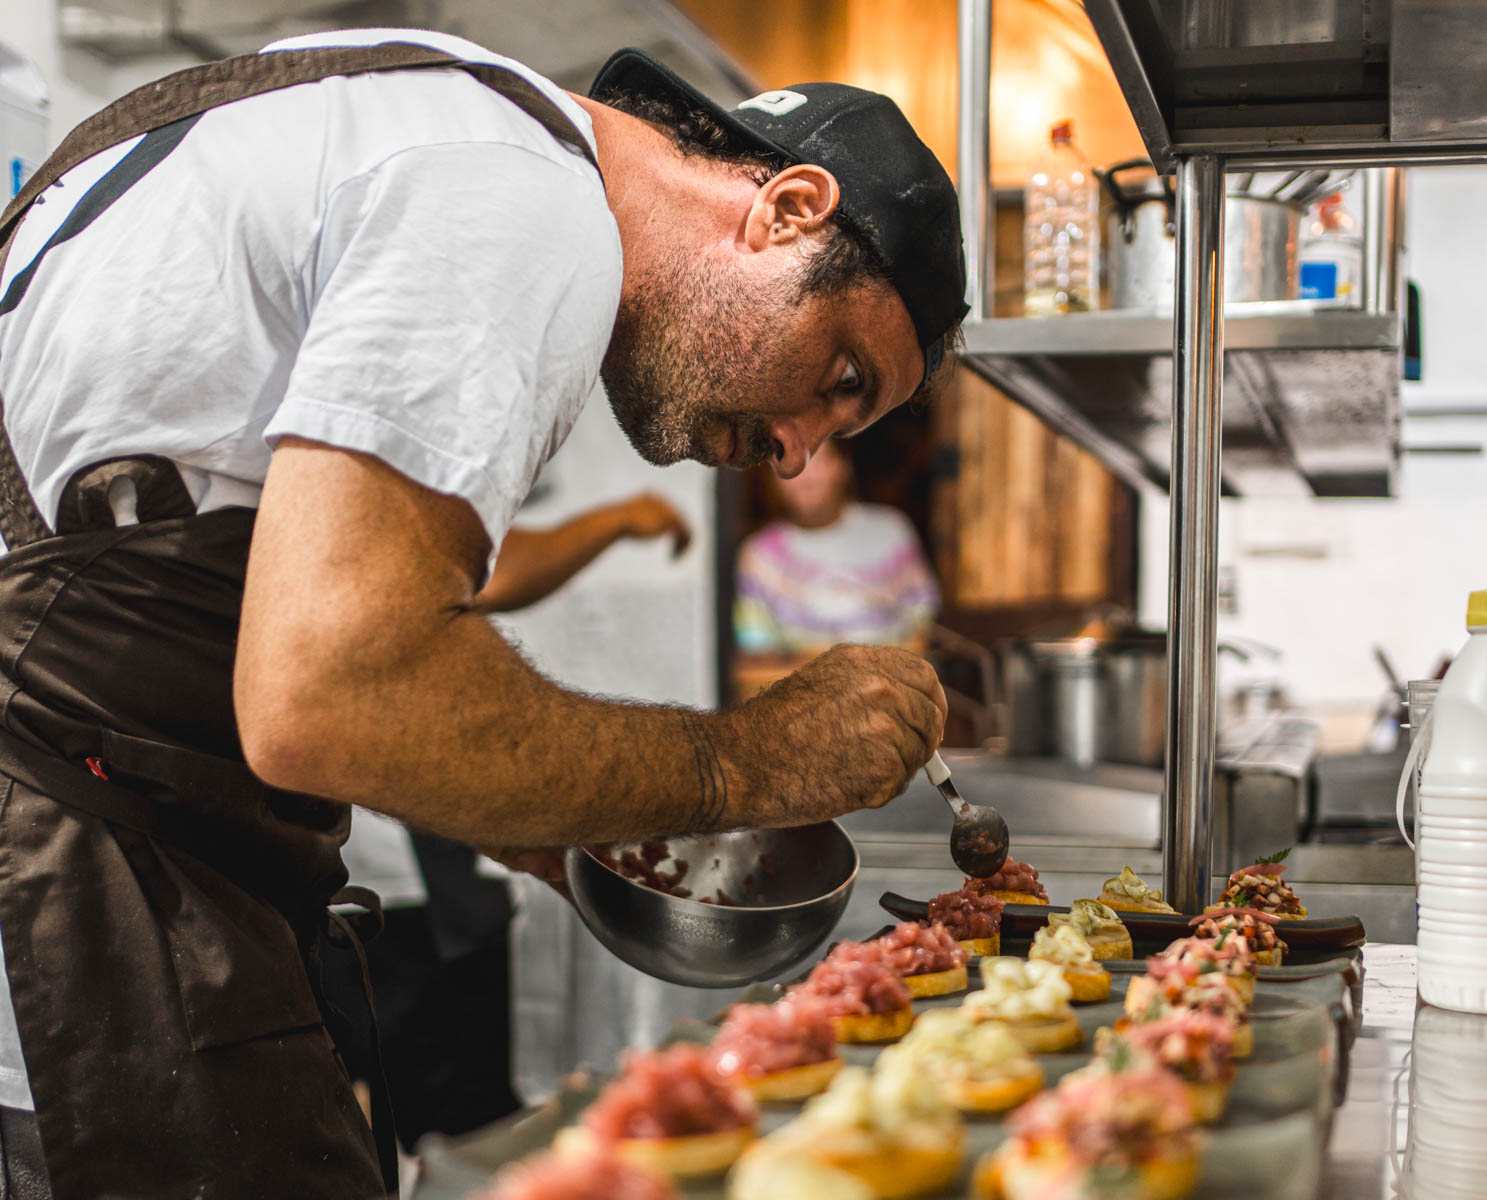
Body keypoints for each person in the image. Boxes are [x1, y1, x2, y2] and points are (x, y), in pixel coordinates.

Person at [0, 26, 965, 1197]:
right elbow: (333, 693)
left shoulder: (414, 116)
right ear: (788, 210)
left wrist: (557, 818)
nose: (799, 453)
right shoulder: (520, 198)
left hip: (114, 868)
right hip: (74, 929)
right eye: (841, 377)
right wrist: (741, 764)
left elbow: (288, 626)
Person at [329, 489, 692, 1152]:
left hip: (403, 880)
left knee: (421, 1132)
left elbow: (480, 571)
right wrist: (616, 517)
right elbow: (491, 569)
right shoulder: (333, 504)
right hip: (384, 900)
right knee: (437, 1135)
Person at [734, 440, 938, 698]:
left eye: (813, 459)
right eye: (783, 464)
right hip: (801, 712)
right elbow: (758, 660)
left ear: (842, 465)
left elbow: (924, 633)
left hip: (891, 703)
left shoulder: (891, 533)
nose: (801, 476)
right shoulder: (759, 556)